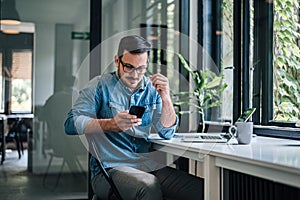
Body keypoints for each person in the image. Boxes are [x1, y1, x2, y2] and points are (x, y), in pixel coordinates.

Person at [64, 35, 203, 200]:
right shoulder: (99, 85)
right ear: (117, 61)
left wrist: (165, 97)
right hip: (109, 170)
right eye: (129, 67)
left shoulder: (152, 90)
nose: (135, 75)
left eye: (141, 68)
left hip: (145, 165)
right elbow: (71, 123)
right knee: (148, 186)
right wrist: (110, 124)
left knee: (201, 190)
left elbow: (166, 132)